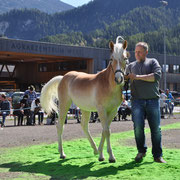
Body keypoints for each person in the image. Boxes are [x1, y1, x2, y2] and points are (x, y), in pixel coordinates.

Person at [126, 42, 166, 163]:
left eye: (139, 52)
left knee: (156, 129)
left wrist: (137, 77)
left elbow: (156, 77)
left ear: (146, 52)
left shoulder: (153, 62)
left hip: (153, 100)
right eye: (135, 51)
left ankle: (158, 155)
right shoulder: (130, 65)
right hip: (136, 101)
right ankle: (141, 151)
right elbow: (123, 79)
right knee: (138, 128)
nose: (136, 54)